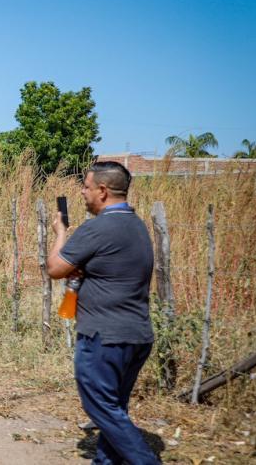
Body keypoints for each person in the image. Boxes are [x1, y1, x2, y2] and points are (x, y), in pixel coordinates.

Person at [46, 161, 159, 465]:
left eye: (86, 186)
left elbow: (56, 268)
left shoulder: (98, 228)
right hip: (136, 334)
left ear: (103, 191)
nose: (83, 192)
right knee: (114, 409)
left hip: (104, 337)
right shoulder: (136, 225)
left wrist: (60, 232)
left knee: (100, 408)